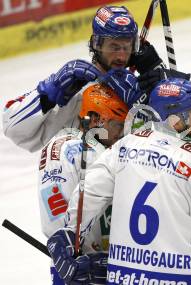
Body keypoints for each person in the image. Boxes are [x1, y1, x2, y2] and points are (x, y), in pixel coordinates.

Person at [45, 78, 191, 285]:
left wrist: (70, 234)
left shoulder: (123, 146)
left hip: (125, 277)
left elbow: (89, 192)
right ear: (175, 121)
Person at [2, 5, 162, 152]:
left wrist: (158, 76)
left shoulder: (136, 89)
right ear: (96, 44)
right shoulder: (75, 88)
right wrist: (50, 92)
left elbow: (176, 137)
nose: (121, 55)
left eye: (127, 47)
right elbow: (13, 129)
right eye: (114, 47)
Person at [38, 83, 129, 284]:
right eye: (118, 125)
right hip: (78, 272)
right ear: (95, 119)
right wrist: (75, 257)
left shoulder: (109, 149)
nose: (122, 133)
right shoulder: (65, 149)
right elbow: (57, 217)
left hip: (108, 267)